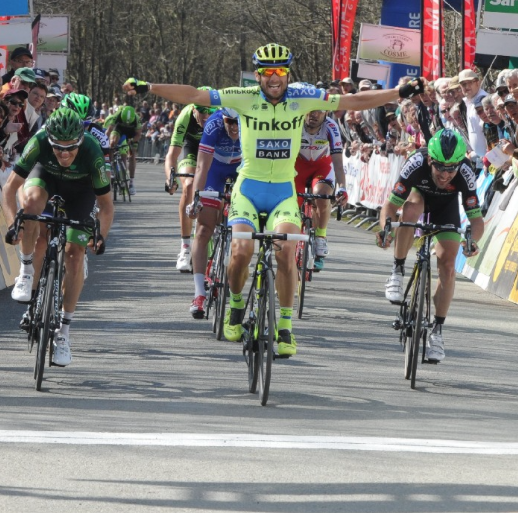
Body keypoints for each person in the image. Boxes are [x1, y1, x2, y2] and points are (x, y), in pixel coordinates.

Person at [123, 42, 426, 356]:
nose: (274, 77)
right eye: (267, 71)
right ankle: (236, 306)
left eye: (280, 70)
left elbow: (354, 100)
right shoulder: (243, 98)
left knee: (286, 251)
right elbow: (194, 95)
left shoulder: (302, 98)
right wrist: (149, 87)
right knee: (241, 249)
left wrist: (398, 93)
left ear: (288, 73)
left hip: (283, 192)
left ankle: (284, 327)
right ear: (257, 75)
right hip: (248, 191)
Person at [1, 108, 113, 367]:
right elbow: (10, 188)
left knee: (75, 255)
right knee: (31, 209)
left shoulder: (92, 152)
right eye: (58, 148)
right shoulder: (39, 140)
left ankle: (63, 333)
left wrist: (101, 236)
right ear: (49, 139)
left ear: (80, 141)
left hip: (80, 191)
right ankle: (27, 271)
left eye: (71, 148)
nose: (64, 153)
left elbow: (106, 206)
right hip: (46, 178)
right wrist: (11, 225)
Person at [376, 129, 484, 363]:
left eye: (451, 168)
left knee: (447, 266)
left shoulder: (465, 173)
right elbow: (390, 206)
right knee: (410, 209)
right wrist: (385, 228)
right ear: (429, 160)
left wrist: (472, 240)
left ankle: (437, 331)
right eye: (440, 168)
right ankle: (397, 270)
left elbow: (476, 220)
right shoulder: (415, 163)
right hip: (419, 198)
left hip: (447, 208)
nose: (446, 175)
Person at [186, 107, 243, 318]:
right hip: (215, 170)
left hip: (240, 170)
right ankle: (199, 293)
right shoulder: (214, 124)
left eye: (237, 123)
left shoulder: (251, 123)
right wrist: (196, 198)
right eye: (230, 122)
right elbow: (201, 167)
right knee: (203, 230)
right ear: (223, 118)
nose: (234, 128)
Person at [161, 99, 213, 271]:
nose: (205, 116)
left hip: (214, 150)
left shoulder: (220, 114)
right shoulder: (185, 115)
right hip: (192, 149)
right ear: (193, 109)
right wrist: (171, 178)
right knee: (189, 185)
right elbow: (171, 155)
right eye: (201, 112)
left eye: (209, 112)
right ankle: (185, 248)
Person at [293, 107, 347, 268]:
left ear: (326, 113)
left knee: (322, 196)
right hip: (297, 167)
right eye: (310, 110)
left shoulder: (331, 127)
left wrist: (342, 187)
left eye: (319, 111)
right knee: (293, 203)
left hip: (321, 167)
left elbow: (337, 161)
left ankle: (320, 237)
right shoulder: (295, 124)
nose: (313, 114)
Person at [104, 103, 142, 194]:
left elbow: (138, 134)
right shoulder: (117, 115)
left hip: (131, 133)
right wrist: (104, 143)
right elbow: (109, 131)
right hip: (119, 130)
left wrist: (132, 141)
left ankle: (131, 183)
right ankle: (111, 168)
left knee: (132, 154)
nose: (126, 123)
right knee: (112, 143)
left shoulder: (137, 119)